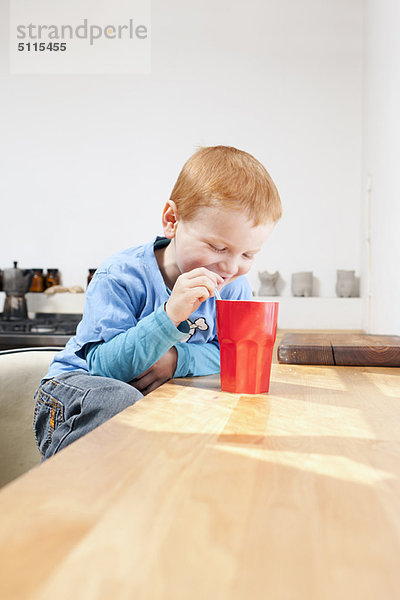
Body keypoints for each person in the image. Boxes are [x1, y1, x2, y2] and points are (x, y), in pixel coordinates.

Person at [34, 145, 282, 459]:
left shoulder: (232, 287)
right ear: (172, 220)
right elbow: (103, 367)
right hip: (75, 392)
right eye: (218, 247)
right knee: (119, 399)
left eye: (248, 255)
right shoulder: (121, 275)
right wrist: (168, 318)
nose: (231, 268)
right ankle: (49, 499)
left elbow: (232, 356)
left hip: (147, 402)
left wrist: (176, 358)